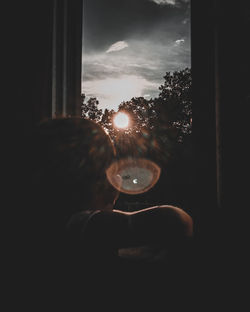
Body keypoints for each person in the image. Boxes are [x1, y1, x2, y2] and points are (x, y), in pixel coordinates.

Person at [28, 117, 193, 305]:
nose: (114, 182)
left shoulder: (43, 225)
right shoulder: (77, 223)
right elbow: (172, 220)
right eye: (107, 172)